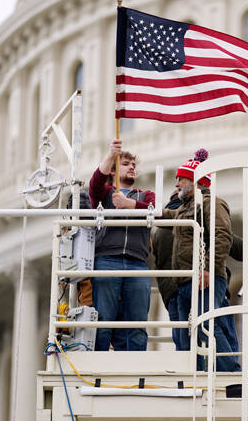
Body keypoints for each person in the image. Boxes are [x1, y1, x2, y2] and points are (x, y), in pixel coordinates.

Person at [152, 193, 248, 351]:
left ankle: (188, 374)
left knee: (185, 342)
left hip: (172, 292)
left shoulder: (158, 232)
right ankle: (230, 372)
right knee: (219, 332)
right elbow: (226, 239)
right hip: (201, 284)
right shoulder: (190, 219)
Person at [162, 148, 239, 371]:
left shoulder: (211, 203)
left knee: (206, 322)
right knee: (188, 332)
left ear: (195, 181)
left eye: (181, 179)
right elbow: (166, 216)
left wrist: (207, 269)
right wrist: (134, 207)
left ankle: (229, 370)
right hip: (185, 281)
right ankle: (194, 371)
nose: (176, 184)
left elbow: (222, 236)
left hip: (205, 278)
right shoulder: (186, 207)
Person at [88, 139, 155, 351]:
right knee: (104, 320)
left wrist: (130, 205)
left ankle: (136, 369)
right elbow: (95, 183)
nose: (133, 167)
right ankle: (97, 365)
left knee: (137, 322)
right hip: (108, 259)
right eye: (126, 164)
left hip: (137, 262)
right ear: (114, 171)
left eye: (134, 164)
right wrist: (110, 155)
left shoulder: (145, 195)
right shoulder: (105, 194)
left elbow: (157, 211)